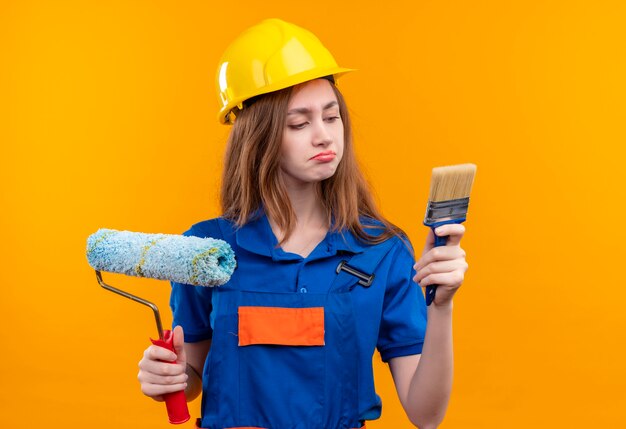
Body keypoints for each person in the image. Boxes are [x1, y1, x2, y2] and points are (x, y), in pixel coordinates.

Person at [137, 19, 468, 429]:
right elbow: (192, 380)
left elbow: (426, 414)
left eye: (332, 117)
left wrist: (442, 306)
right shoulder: (206, 250)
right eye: (299, 123)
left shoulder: (380, 250)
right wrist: (168, 377)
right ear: (257, 137)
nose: (324, 136)